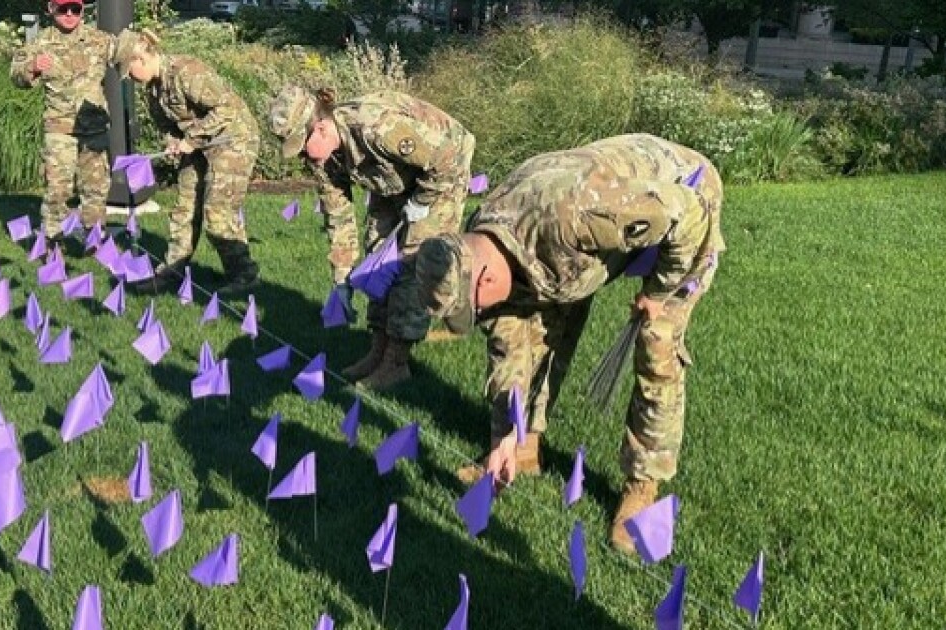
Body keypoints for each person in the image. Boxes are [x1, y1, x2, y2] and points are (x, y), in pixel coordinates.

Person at [414, 134, 725, 554]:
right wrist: (508, 432)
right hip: (571, 248)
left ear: (485, 278)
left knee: (657, 342)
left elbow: (688, 213)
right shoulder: (485, 236)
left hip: (684, 198)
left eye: (472, 308)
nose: (476, 318)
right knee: (526, 327)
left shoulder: (580, 215)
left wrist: (661, 290)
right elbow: (510, 343)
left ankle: (642, 486)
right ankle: (523, 449)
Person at [267, 85, 475, 390]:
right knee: (378, 258)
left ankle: (396, 362)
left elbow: (445, 157)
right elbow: (338, 217)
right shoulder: (325, 158)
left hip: (441, 173)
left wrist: (422, 201)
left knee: (410, 263)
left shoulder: (377, 128)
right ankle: (378, 348)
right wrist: (342, 281)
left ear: (322, 128)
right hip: (392, 180)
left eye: (302, 145)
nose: (302, 156)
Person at [111, 29, 261, 294]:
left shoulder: (186, 72)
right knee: (185, 208)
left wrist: (191, 138)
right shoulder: (154, 90)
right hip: (199, 146)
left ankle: (244, 275)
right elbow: (169, 125)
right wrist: (173, 141)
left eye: (129, 71)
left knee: (218, 213)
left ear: (140, 60)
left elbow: (227, 107)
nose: (131, 79)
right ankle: (172, 272)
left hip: (232, 141)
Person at [10, 0, 114, 239]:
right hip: (60, 129)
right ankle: (52, 242)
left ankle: (96, 241)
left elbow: (128, 53)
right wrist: (32, 67)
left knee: (96, 190)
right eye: (63, 9)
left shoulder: (99, 40)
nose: (69, 14)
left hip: (95, 129)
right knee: (57, 190)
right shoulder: (40, 42)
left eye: (75, 9)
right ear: (51, 9)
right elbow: (16, 76)